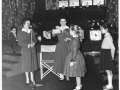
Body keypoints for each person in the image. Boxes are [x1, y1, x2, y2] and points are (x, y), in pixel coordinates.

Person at [18, 18, 42, 87]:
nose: (28, 24)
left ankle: (32, 78)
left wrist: (34, 42)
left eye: (29, 23)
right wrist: (27, 45)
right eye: (27, 23)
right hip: (26, 50)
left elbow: (35, 39)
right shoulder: (20, 32)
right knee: (26, 65)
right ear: (23, 24)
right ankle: (27, 78)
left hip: (32, 50)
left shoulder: (32, 31)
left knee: (33, 65)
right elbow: (20, 42)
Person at [64, 25, 86, 90]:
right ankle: (79, 85)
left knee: (77, 73)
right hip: (77, 56)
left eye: (70, 30)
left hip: (75, 57)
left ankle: (78, 87)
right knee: (77, 72)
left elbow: (74, 51)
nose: (69, 31)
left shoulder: (74, 41)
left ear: (73, 31)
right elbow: (67, 32)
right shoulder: (76, 38)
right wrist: (69, 38)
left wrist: (72, 60)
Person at [99, 23, 116, 90]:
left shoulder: (108, 37)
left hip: (107, 54)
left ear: (107, 29)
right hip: (105, 53)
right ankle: (109, 84)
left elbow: (113, 48)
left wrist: (112, 56)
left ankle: (110, 85)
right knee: (108, 70)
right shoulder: (106, 36)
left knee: (108, 70)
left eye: (102, 29)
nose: (101, 30)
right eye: (100, 29)